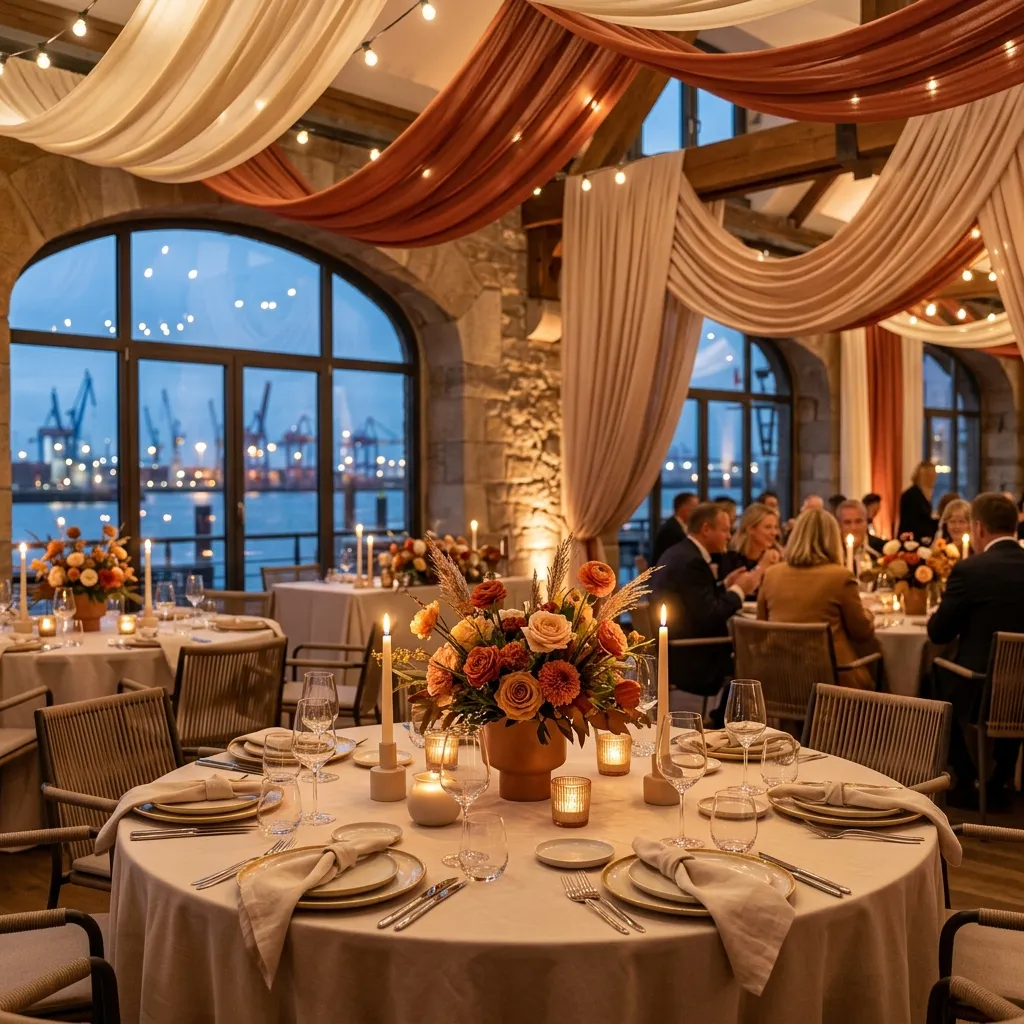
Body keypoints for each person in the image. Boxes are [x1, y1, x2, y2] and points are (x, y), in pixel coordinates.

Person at [927, 493, 1024, 808]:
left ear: (979, 527)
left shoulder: (972, 570)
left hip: (981, 686)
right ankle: (1000, 780)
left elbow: (939, 632)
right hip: (1019, 687)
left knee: (933, 676)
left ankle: (966, 778)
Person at [651, 502, 761, 710]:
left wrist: (725, 585)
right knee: (756, 659)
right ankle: (732, 719)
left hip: (678, 648)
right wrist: (739, 591)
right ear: (706, 529)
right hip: (693, 656)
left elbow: (695, 601)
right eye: (725, 530)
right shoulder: (692, 562)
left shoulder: (680, 553)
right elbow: (710, 614)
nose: (729, 536)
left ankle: (725, 716)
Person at [757, 508, 877, 689]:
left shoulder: (771, 574)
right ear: (833, 539)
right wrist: (869, 614)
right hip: (831, 685)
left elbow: (761, 626)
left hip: (779, 680)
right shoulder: (840, 577)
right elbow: (861, 633)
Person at [720, 502, 782, 594]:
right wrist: (762, 566)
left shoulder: (777, 557)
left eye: (775, 527)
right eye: (768, 527)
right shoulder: (731, 558)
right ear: (751, 529)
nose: (774, 533)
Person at [651, 492, 698, 565]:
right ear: (683, 507)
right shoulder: (670, 529)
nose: (696, 512)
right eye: (694, 507)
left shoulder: (682, 526)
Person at [898, 461, 938, 542]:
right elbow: (913, 522)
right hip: (910, 540)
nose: (934, 479)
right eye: (930, 476)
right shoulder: (911, 495)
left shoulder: (924, 494)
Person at [835, 499, 880, 571]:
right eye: (847, 522)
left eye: (858, 521)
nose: (853, 528)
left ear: (866, 522)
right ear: (839, 525)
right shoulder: (832, 554)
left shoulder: (880, 549)